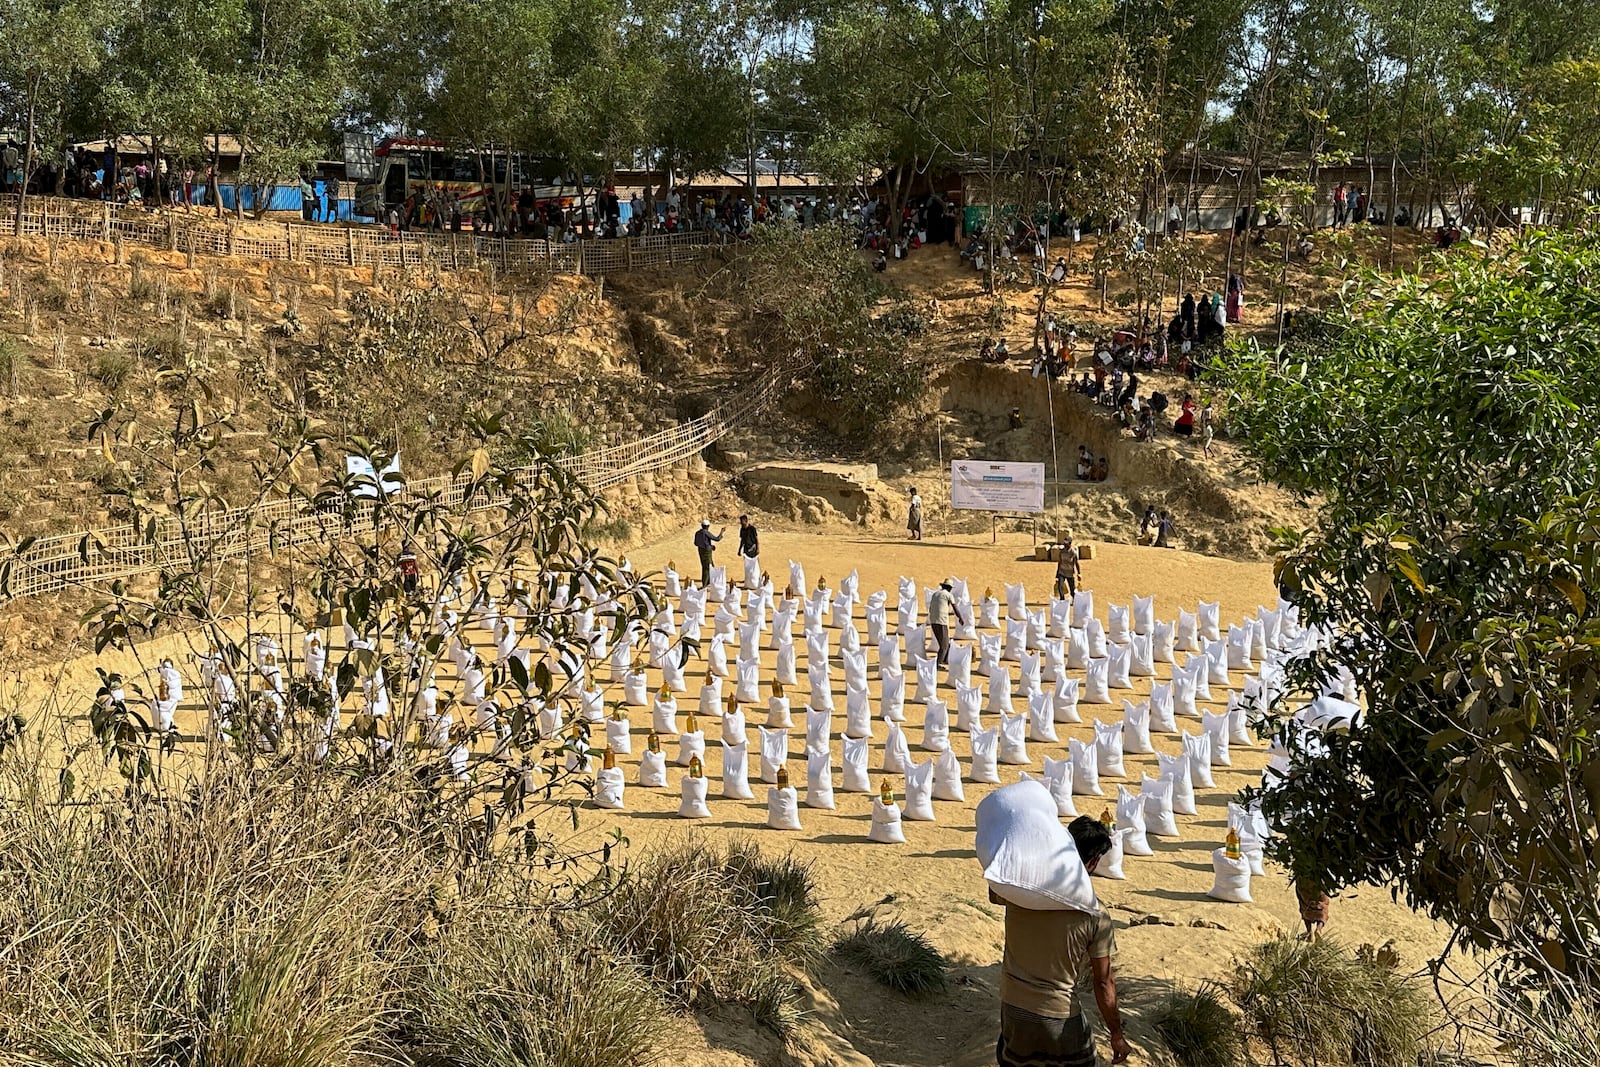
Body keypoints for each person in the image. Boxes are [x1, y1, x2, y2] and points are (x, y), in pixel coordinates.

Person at [992, 815, 1131, 1067]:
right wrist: (1116, 1034)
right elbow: (1103, 982)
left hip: (1013, 1009)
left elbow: (994, 889)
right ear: (1094, 861)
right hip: (1059, 1017)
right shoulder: (1095, 914)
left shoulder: (1022, 892)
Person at [928, 578, 966, 665]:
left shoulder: (935, 594)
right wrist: (960, 618)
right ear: (949, 588)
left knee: (944, 642)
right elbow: (955, 608)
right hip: (942, 622)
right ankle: (937, 664)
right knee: (944, 646)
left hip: (933, 621)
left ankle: (945, 659)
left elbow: (930, 608)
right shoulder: (948, 595)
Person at [694, 519, 724, 585]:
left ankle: (709, 581)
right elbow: (717, 539)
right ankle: (705, 584)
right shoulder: (706, 532)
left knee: (707, 566)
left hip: (700, 551)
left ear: (701, 525)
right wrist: (722, 532)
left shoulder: (697, 533)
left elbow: (696, 543)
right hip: (707, 553)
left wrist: (707, 545)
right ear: (708, 526)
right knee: (707, 568)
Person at [1054, 535, 1081, 600]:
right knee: (1060, 587)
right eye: (1064, 543)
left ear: (1070, 544)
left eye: (1066, 544)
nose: (1065, 545)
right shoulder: (1062, 552)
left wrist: (1079, 573)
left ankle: (1075, 600)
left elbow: (1076, 563)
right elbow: (1060, 562)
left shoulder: (1073, 553)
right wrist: (1057, 573)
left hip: (1070, 573)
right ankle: (1062, 600)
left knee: (1072, 589)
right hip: (1062, 572)